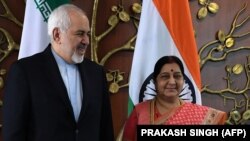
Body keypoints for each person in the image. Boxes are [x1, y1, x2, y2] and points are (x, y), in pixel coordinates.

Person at [3, 4, 114, 141]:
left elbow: (105, 130)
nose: (86, 41)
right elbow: (13, 134)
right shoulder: (25, 71)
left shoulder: (96, 73)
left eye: (87, 34)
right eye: (80, 33)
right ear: (57, 35)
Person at [122, 56, 227, 141]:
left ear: (183, 81)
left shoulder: (197, 114)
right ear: (155, 82)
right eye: (165, 76)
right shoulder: (140, 111)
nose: (172, 82)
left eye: (177, 76)